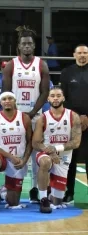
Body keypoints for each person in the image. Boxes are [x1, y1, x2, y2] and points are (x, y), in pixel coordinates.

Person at [2, 26, 50, 203]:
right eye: (24, 44)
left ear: (34, 46)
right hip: (16, 116)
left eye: (30, 43)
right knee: (16, 151)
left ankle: (35, 189)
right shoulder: (11, 65)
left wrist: (32, 112)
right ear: (19, 46)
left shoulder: (41, 64)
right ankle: (9, 185)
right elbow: (6, 92)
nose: (27, 46)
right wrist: (15, 113)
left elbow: (44, 92)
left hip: (35, 115)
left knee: (36, 150)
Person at [32, 87, 82, 213]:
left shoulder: (73, 116)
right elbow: (35, 142)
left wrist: (56, 148)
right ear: (48, 98)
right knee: (45, 162)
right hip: (45, 153)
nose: (55, 98)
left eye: (58, 95)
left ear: (63, 98)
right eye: (52, 96)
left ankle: (51, 194)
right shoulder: (42, 118)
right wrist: (50, 151)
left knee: (57, 202)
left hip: (63, 156)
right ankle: (43, 198)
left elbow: (76, 142)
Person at [0, 92, 32, 213]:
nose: (7, 101)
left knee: (13, 202)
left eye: (10, 98)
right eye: (4, 99)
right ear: (1, 102)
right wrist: (10, 156)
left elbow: (30, 142)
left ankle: (1, 193)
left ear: (15, 101)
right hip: (2, 158)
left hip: (18, 160)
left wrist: (24, 160)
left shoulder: (24, 118)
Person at [60, 44, 88, 203]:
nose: (83, 55)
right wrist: (77, 117)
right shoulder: (66, 73)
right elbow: (63, 99)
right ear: (74, 55)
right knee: (70, 160)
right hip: (72, 122)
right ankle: (69, 192)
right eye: (80, 53)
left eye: (85, 53)